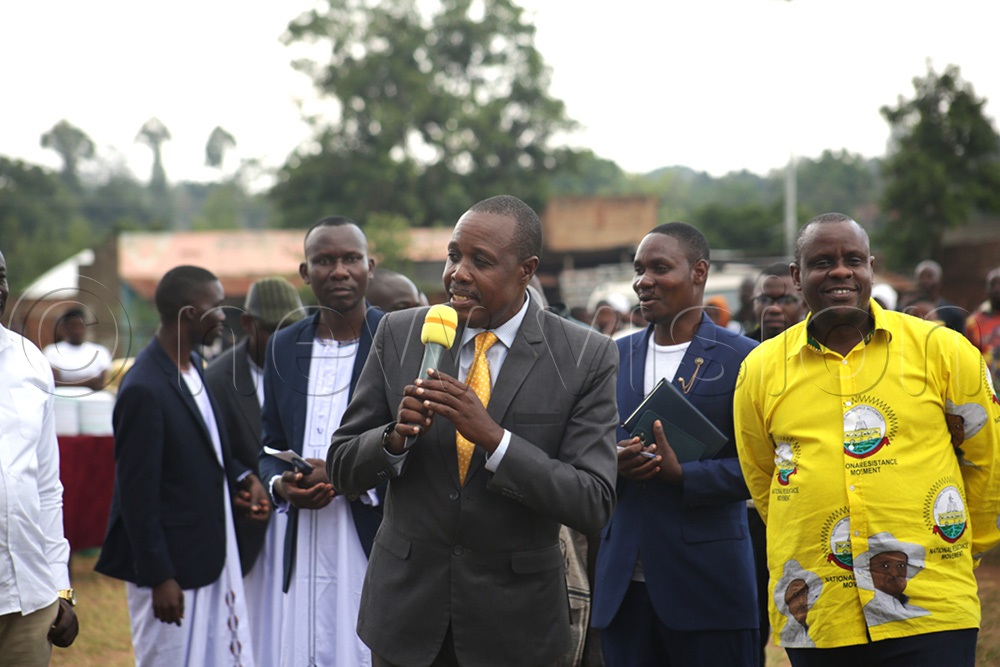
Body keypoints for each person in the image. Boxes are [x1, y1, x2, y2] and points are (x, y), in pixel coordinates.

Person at [327, 194, 619, 667]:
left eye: (480, 261)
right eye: (453, 255)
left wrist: (494, 439)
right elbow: (341, 466)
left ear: (526, 270)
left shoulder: (586, 355)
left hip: (515, 626)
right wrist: (393, 439)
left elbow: (592, 500)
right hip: (406, 619)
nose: (458, 274)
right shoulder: (399, 333)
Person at [734, 213, 1000, 665]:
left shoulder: (942, 350)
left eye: (853, 259)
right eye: (822, 261)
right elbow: (764, 481)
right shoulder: (759, 370)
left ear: (870, 268)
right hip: (820, 613)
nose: (840, 270)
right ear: (797, 277)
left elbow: (987, 461)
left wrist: (957, 549)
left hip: (931, 604)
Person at [591, 222, 760, 667]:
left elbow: (767, 465)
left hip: (708, 587)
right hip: (623, 590)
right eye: (638, 269)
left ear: (698, 272)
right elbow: (582, 446)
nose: (643, 281)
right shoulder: (611, 356)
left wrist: (686, 475)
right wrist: (613, 460)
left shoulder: (744, 357)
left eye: (659, 268)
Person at [95, 265, 271, 667]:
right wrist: (159, 576)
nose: (225, 317)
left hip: (210, 556)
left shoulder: (195, 368)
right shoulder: (143, 388)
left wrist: (244, 478)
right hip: (173, 569)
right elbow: (136, 494)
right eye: (216, 307)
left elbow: (212, 448)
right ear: (189, 313)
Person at [258, 217, 385, 667]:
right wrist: (281, 487)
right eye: (324, 260)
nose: (339, 271)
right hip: (303, 540)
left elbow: (420, 446)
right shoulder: (283, 346)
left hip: (373, 542)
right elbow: (268, 444)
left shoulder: (397, 340)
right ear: (305, 272)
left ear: (370, 266)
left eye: (350, 259)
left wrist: (346, 474)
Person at [204, 276, 305, 666]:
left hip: (307, 516)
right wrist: (245, 479)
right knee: (257, 629)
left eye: (291, 327)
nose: (284, 337)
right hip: (252, 531)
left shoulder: (308, 366)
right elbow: (212, 448)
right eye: (272, 329)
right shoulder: (218, 378)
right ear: (247, 324)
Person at [0, 249, 79, 666]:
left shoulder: (32, 361)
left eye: (1, 276)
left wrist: (61, 588)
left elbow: (48, 488)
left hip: (30, 601)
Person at [741, 260, 807, 665]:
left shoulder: (824, 356)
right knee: (749, 616)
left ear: (804, 302)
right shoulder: (734, 358)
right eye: (766, 298)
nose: (774, 307)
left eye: (785, 299)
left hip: (804, 511)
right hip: (747, 512)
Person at [42, 306, 112, 390]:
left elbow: (100, 383)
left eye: (80, 326)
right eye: (73, 326)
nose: (77, 331)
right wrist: (89, 382)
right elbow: (54, 382)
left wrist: (67, 382)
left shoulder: (100, 351)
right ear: (65, 328)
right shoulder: (51, 351)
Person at [743, 261, 807, 343]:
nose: (774, 309)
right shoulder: (739, 351)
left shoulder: (819, 350)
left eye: (786, 300)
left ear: (804, 305)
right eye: (764, 299)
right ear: (753, 303)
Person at [965, 266, 1000, 391]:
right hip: (985, 388)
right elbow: (967, 358)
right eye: (993, 285)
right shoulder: (973, 322)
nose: (997, 289)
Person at [910, 259, 966, 334]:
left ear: (939, 281)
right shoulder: (905, 309)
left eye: (929, 276)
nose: (924, 281)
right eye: (921, 276)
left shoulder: (953, 313)